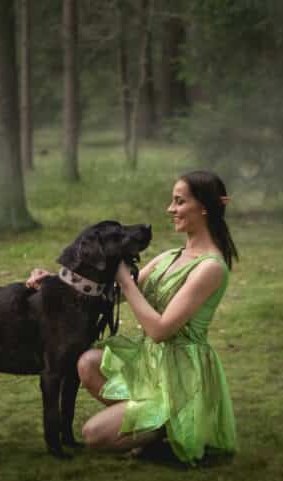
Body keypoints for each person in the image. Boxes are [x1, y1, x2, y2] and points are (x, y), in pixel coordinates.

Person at [26, 170, 238, 464]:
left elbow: (160, 330)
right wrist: (56, 281)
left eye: (179, 202)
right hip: (151, 363)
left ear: (204, 207)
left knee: (93, 435)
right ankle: (152, 420)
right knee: (87, 362)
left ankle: (172, 423)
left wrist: (126, 280)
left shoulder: (210, 268)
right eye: (172, 201)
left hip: (183, 373)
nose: (170, 209)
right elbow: (116, 293)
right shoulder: (169, 257)